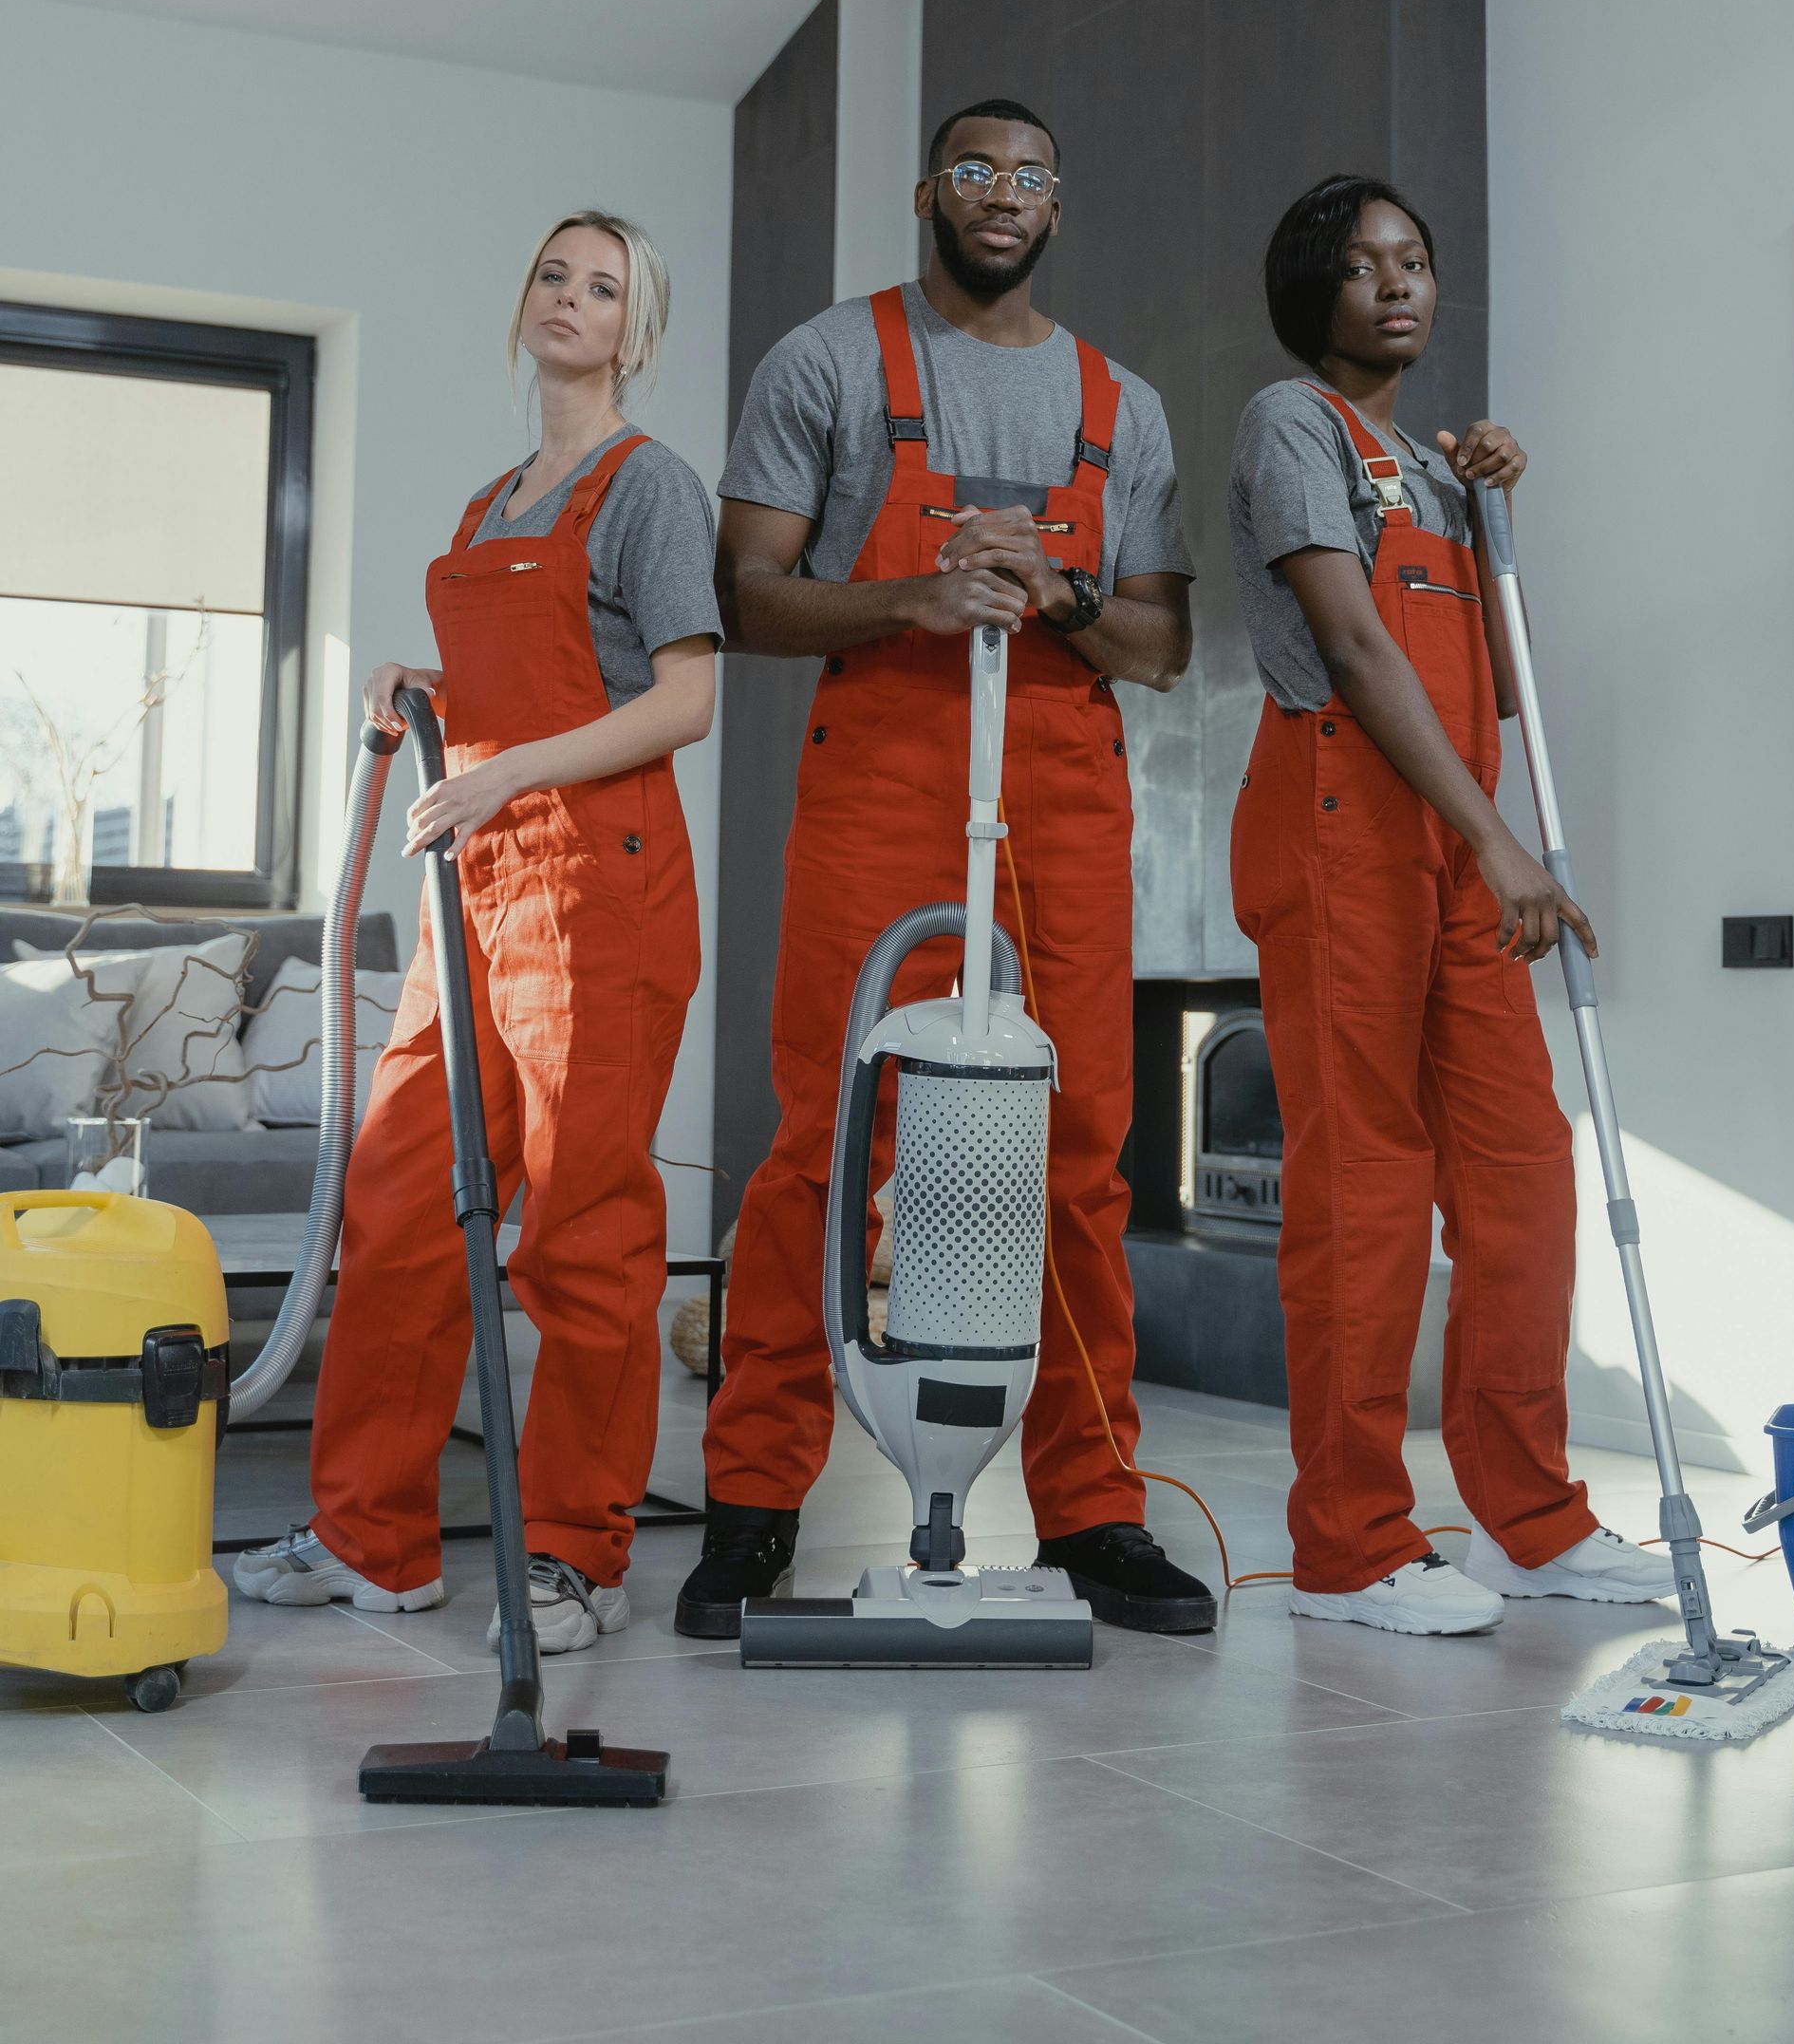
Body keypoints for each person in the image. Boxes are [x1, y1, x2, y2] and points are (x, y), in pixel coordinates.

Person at [676, 98, 1216, 1639]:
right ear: (930, 191)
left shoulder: (1126, 403)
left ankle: (1097, 1512)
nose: (1002, 196)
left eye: (1031, 176)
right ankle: (754, 1507)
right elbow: (752, 599)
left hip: (1063, 788)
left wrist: (1056, 597)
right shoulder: (831, 361)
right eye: (975, 171)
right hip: (885, 776)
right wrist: (915, 595)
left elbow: (1165, 646)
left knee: (1087, 1146)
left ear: (1061, 203)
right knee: (821, 1137)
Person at [235, 211, 719, 1653]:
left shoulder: (650, 488)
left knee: (580, 1228)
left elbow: (683, 696)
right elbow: (530, 680)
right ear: (524, 304)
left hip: (596, 887)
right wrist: (425, 682)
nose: (571, 301)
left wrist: (505, 767)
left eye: (604, 287)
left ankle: (579, 1552)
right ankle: (370, 1536)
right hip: (477, 884)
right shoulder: (494, 500)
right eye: (554, 277)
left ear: (638, 330)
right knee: (398, 1206)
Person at [1227, 174, 1673, 1634]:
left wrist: (1485, 508)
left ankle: (1528, 1521)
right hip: (1341, 822)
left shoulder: (1431, 461)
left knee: (1522, 1173)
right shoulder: (1293, 426)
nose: (1399, 285)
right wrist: (1503, 846)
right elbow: (1356, 647)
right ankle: (1351, 1547)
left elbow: (1492, 664)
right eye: (1364, 267)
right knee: (1362, 1188)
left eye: (1414, 261)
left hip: (1448, 834)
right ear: (1317, 294)